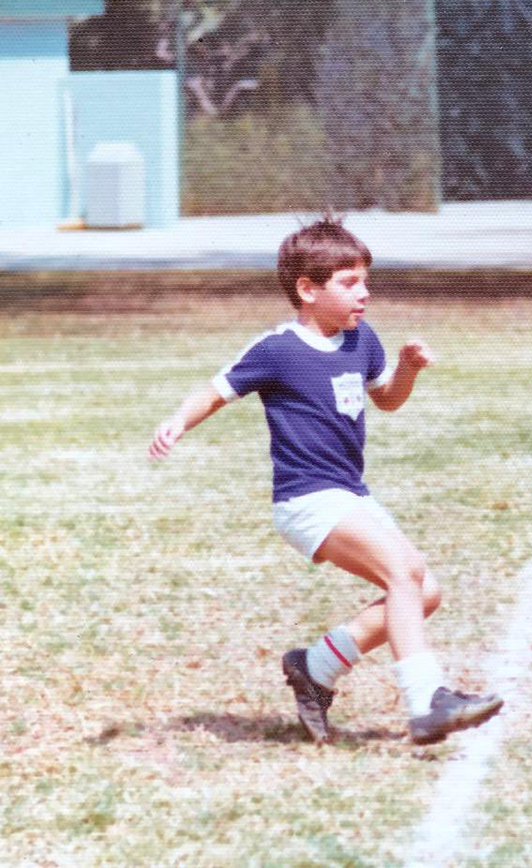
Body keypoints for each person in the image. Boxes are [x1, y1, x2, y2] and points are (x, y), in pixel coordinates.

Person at [149, 217, 502, 745]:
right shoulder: (278, 350)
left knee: (424, 591)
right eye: (349, 282)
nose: (364, 293)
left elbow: (386, 399)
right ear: (307, 289)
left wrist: (407, 369)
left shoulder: (361, 341)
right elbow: (215, 392)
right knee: (403, 578)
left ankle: (314, 668)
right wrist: (178, 421)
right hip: (306, 500)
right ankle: (427, 699)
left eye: (366, 280)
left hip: (350, 493)